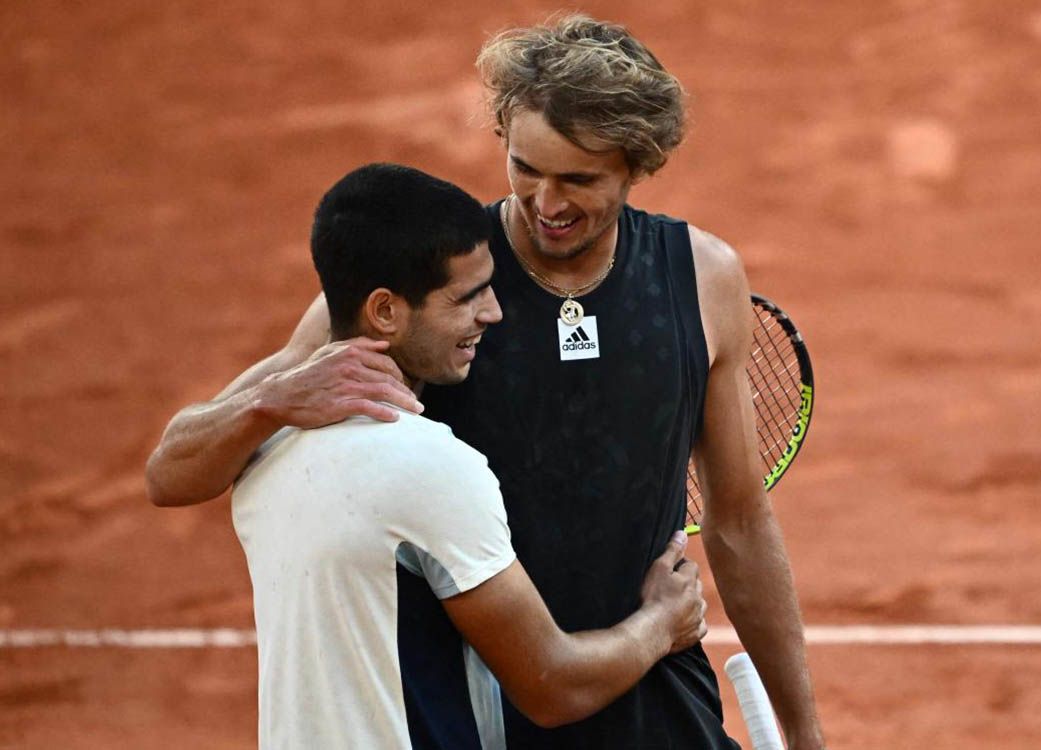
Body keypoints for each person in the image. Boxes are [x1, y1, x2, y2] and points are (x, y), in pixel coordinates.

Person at [146, 15, 825, 750]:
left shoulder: (701, 278)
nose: (547, 202)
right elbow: (172, 472)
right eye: (525, 167)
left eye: (579, 179)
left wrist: (805, 735)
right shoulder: (431, 282)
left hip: (655, 701)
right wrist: (266, 400)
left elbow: (738, 523)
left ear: (638, 164)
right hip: (488, 714)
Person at [231, 162, 707, 749]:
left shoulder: (263, 449)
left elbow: (169, 469)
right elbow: (552, 685)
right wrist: (661, 623)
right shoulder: (434, 469)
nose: (494, 313)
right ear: (385, 312)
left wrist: (261, 403)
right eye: (467, 298)